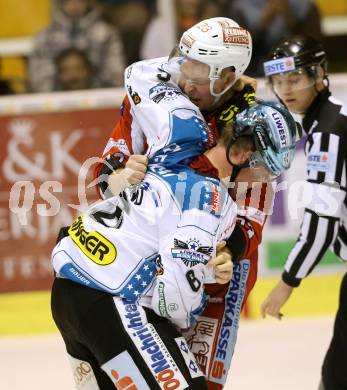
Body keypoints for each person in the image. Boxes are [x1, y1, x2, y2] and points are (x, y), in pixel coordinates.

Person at [94, 17, 299, 389]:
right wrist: (116, 177)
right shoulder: (156, 93)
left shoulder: (253, 122)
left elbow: (254, 213)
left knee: (202, 383)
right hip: (151, 261)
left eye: (201, 74)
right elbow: (110, 165)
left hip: (219, 273)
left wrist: (230, 252)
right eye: (184, 64)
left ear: (229, 76)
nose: (187, 82)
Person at [52, 97, 297, 389]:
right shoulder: (211, 196)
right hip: (111, 300)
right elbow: (175, 297)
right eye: (265, 170)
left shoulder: (166, 152)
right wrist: (179, 325)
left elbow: (162, 242)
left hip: (70, 289)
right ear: (244, 153)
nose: (262, 182)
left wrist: (205, 270)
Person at [260, 35, 347, 390]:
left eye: (294, 79)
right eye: (278, 82)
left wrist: (286, 283)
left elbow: (321, 225)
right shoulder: (334, 116)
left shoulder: (328, 132)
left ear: (319, 75)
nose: (285, 90)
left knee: (337, 377)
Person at [29, 0, 125, 92]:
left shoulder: (106, 34)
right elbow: (39, 79)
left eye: (80, 0)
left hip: (98, 97)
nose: (74, 4)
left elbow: (116, 75)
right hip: (55, 100)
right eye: (68, 0)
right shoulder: (45, 37)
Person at [225, 0, 322, 77]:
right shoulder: (239, 7)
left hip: (298, 71)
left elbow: (315, 47)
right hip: (256, 75)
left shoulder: (306, 6)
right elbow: (238, 52)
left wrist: (289, 18)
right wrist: (263, 23)